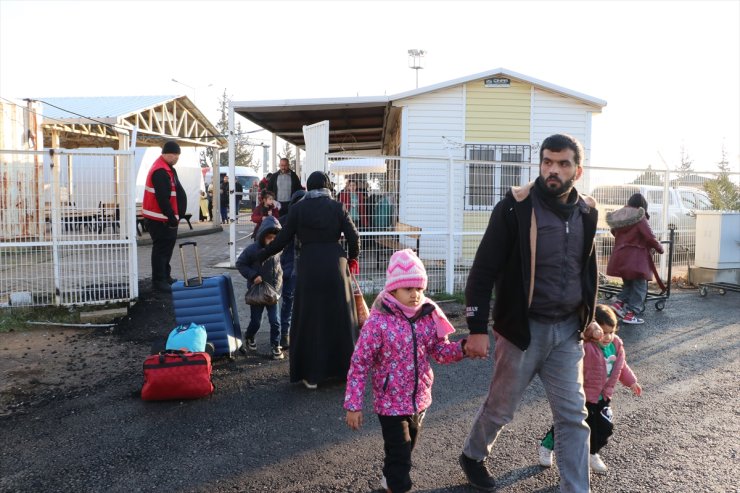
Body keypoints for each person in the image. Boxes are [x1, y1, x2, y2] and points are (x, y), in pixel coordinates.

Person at [458, 133, 602, 493]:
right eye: (547, 162)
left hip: (568, 331)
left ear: (577, 170)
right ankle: (473, 455)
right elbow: (482, 270)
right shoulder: (515, 206)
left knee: (573, 417)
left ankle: (576, 489)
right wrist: (476, 327)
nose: (553, 170)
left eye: (563, 164)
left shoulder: (587, 210)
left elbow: (587, 269)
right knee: (501, 408)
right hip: (523, 330)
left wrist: (589, 318)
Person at [344, 249, 467, 493]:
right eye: (408, 289)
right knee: (401, 453)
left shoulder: (427, 316)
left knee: (403, 449)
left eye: (419, 288)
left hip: (419, 399)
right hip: (390, 402)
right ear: (393, 290)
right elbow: (360, 363)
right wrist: (353, 405)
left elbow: (439, 352)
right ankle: (398, 486)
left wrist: (463, 348)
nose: (415, 295)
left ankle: (390, 480)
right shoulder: (378, 321)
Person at [257, 171, 359, 389]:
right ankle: (343, 371)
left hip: (309, 265)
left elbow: (282, 239)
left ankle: (311, 376)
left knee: (310, 319)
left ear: (308, 188)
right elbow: (353, 237)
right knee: (340, 317)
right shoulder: (337, 207)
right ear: (328, 187)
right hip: (335, 266)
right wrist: (352, 258)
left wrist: (261, 255)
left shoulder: (298, 209)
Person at [538, 304, 642, 474]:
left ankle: (592, 453)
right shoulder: (585, 346)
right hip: (582, 396)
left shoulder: (616, 345)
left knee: (604, 427)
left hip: (603, 397)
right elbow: (569, 364)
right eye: (603, 332)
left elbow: (621, 366)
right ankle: (547, 446)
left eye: (611, 331)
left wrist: (632, 381)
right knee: (569, 425)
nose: (608, 336)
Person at [606, 193, 664, 325]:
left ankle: (618, 304)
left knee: (629, 284)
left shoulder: (619, 217)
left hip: (620, 257)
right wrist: (660, 248)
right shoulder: (639, 217)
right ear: (642, 206)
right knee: (640, 288)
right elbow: (649, 236)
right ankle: (631, 314)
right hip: (636, 259)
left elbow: (614, 232)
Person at [141, 140, 187, 294]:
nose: (177, 159)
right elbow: (162, 198)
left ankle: (165, 276)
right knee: (161, 250)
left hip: (166, 219)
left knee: (166, 250)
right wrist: (171, 217)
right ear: (169, 154)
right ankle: (159, 281)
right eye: (176, 156)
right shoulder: (160, 171)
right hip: (159, 219)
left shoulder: (168, 169)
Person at [236, 215, 284, 360]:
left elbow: (280, 267)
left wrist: (281, 281)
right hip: (257, 291)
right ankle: (250, 336)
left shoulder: (278, 249)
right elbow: (240, 263)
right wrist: (252, 275)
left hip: (272, 292)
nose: (272, 240)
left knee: (275, 320)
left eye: (275, 237)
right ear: (262, 236)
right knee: (256, 321)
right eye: (269, 237)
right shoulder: (252, 250)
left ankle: (276, 345)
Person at [277, 190, 306, 350]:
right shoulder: (283, 221)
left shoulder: (310, 222)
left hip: (306, 269)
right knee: (288, 301)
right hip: (288, 269)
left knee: (302, 303)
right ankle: (285, 334)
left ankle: (298, 335)